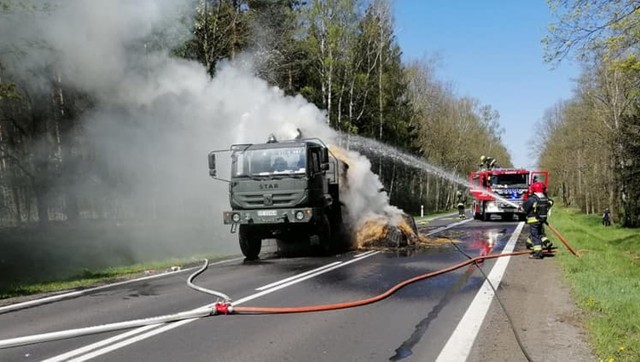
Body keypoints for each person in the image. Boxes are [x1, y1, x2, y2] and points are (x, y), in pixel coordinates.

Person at [522, 182, 554, 259]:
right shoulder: (544, 198)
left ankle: (538, 253)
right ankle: (534, 244)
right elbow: (551, 202)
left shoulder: (532, 199)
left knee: (535, 236)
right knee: (539, 233)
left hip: (533, 221)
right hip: (541, 220)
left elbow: (525, 207)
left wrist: (521, 208)